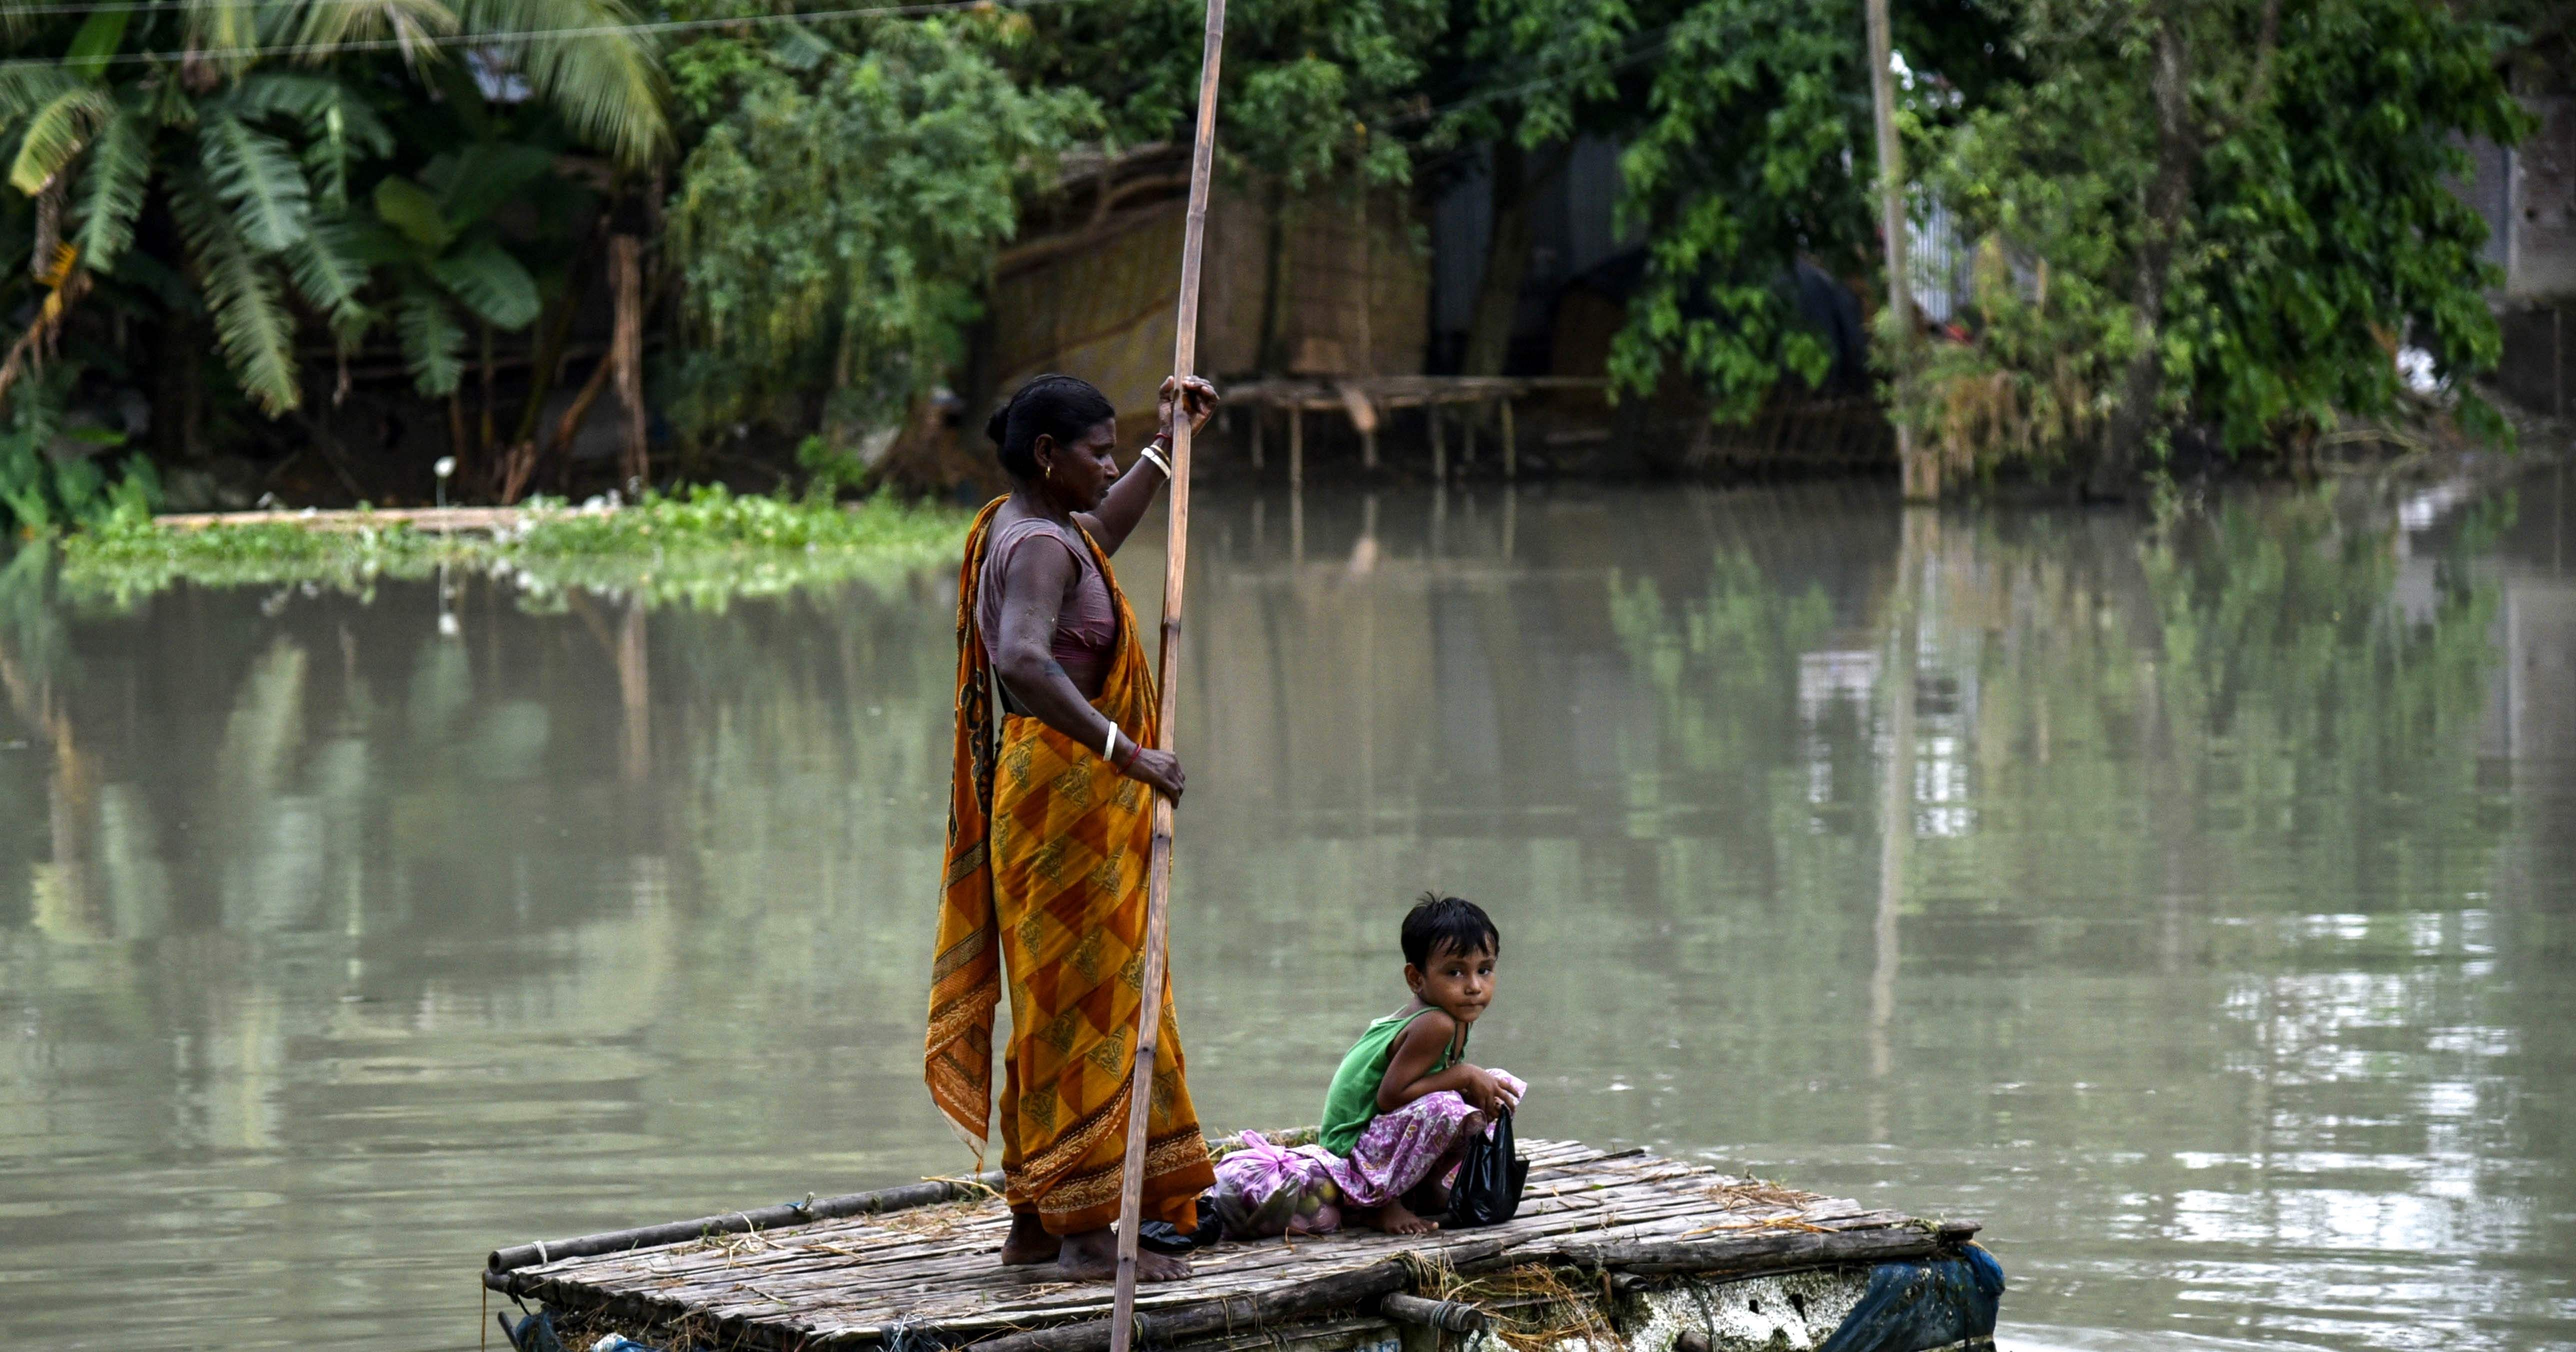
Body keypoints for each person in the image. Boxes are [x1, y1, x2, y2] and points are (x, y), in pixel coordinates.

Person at [925, 372, 1220, 1282]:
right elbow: (1020, 659)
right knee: (1091, 1009)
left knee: (1058, 1013)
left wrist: (1165, 445)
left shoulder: (1033, 531)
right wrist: (1126, 750)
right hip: (1066, 807)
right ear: (1048, 456)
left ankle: (1036, 1222)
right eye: (1097, 451)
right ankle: (1089, 1232)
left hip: (1056, 803)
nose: (1106, 464)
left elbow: (1099, 535)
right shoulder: (1035, 548)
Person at [1314, 894, 1525, 1235]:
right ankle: (1381, 1203)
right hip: (1350, 1155)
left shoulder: (1454, 1016)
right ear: (1416, 979)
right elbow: (1390, 1096)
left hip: (1378, 1142)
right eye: (1455, 972)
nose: (1474, 986)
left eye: (1484, 970)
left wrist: (1471, 1079)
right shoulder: (1436, 1023)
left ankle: (1426, 1188)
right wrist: (1464, 1074)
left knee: (1498, 1085)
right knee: (1447, 1103)